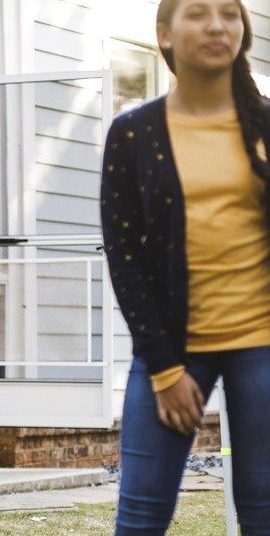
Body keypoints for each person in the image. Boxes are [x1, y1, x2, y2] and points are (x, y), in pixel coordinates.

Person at [101, 0, 270, 533]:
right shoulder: (133, 134)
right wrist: (165, 369)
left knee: (264, 514)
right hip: (170, 349)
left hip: (263, 346)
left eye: (230, 13)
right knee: (141, 518)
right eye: (198, 12)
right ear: (164, 35)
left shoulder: (266, 123)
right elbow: (125, 258)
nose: (217, 25)